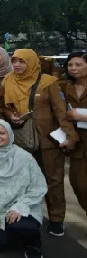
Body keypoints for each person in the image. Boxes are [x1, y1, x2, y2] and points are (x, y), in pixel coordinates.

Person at [0, 49, 79, 237]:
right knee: (24, 180)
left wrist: (70, 136)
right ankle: (26, 216)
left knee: (53, 180)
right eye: (15, 61)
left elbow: (61, 111)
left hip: (48, 140)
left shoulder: (48, 82)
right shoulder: (7, 81)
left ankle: (56, 219)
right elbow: (3, 106)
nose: (17, 65)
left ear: (32, 62)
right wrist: (11, 116)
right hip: (22, 139)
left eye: (22, 61)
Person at [0, 120, 47, 258]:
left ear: (10, 135)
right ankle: (9, 234)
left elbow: (39, 186)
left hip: (22, 203)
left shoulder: (25, 157)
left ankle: (32, 244)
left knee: (23, 226)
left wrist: (19, 207)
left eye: (2, 133)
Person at [61, 52, 87, 213]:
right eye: (70, 65)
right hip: (77, 143)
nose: (73, 68)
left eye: (78, 65)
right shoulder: (65, 86)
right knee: (79, 185)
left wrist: (81, 116)